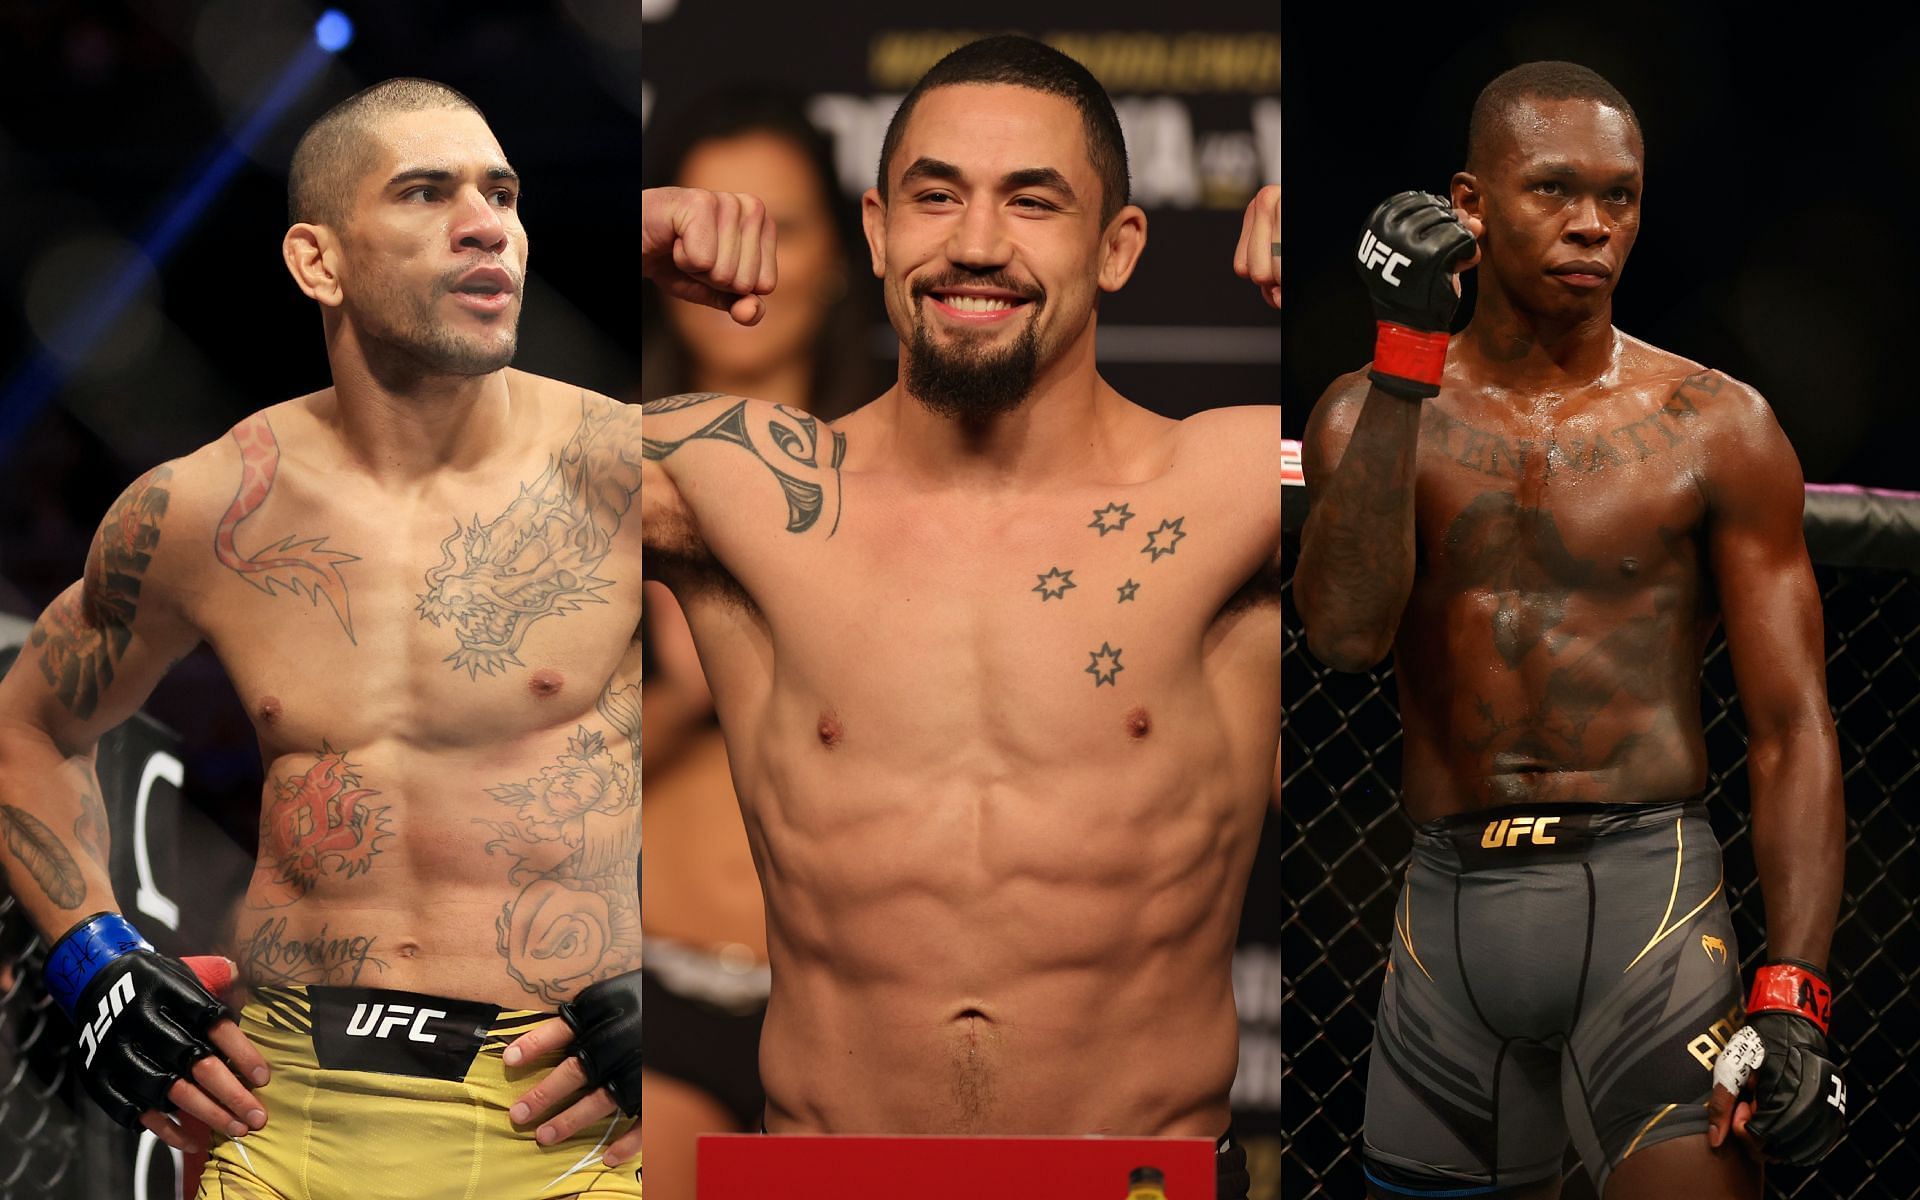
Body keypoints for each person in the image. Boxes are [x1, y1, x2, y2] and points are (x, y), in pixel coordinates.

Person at [640, 35, 1280, 1200]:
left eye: (1033, 202)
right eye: (938, 197)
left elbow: (1489, 521)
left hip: (1138, 1183)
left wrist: (1358, 328)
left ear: (1119, 244)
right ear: (880, 230)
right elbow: (443, 487)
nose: (976, 245)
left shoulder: (1226, 487)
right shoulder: (750, 489)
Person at [0, 78, 642, 1199]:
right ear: (319, 262)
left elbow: (848, 738)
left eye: (502, 192)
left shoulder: (640, 479)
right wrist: (91, 956)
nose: (486, 222)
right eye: (427, 192)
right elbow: (28, 729)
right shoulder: (205, 510)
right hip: (284, 1112)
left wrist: (697, 996)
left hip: (565, 1124)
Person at [1294, 61, 1846, 1199]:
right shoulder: (1367, 408)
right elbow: (1345, 637)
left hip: (1652, 898)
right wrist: (1404, 353)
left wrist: (1793, 992)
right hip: (1444, 912)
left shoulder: (1716, 426)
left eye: (1622, 196)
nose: (1594, 225)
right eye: (1554, 190)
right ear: (1471, 205)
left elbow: (1794, 725)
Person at [638, 90, 884, 1200]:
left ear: (841, 254)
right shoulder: (588, 471)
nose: (743, 263)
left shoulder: (906, 489)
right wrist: (679, 697)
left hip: (857, 1007)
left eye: (777, 228)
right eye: (710, 229)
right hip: (647, 990)